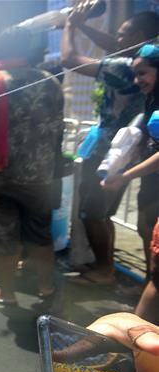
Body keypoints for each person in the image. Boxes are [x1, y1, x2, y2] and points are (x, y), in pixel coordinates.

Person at [0, 27, 64, 306]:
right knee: (40, 235)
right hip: (40, 177)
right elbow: (58, 129)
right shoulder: (50, 82)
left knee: (2, 240)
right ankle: (46, 288)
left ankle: (5, 294)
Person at [61, 8, 159, 284]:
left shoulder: (126, 68)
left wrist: (71, 25)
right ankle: (114, 269)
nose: (114, 38)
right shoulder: (146, 64)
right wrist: (84, 25)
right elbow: (117, 47)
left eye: (121, 33)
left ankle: (105, 270)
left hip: (111, 153)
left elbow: (69, 58)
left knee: (93, 213)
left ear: (138, 36)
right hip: (130, 154)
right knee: (110, 216)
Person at [102, 45, 159, 268]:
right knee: (146, 232)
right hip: (151, 183)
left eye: (142, 73)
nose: (137, 81)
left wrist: (125, 176)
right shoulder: (152, 100)